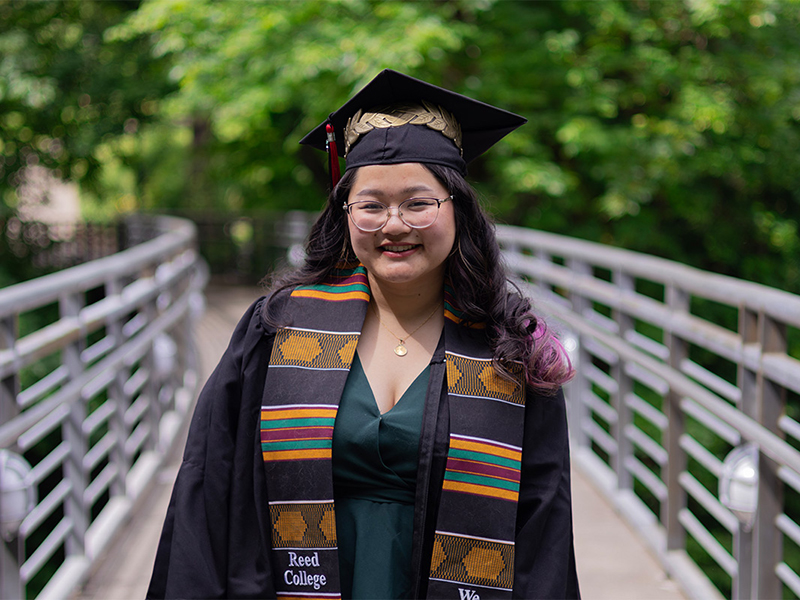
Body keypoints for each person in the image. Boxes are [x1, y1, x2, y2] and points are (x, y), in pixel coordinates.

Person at [148, 69, 579, 599]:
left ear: (459, 210)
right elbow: (209, 488)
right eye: (371, 205)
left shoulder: (510, 351)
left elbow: (544, 527)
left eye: (419, 203)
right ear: (345, 213)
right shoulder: (278, 330)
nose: (394, 224)